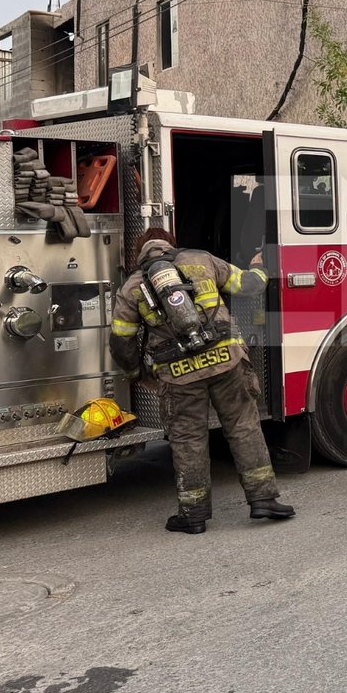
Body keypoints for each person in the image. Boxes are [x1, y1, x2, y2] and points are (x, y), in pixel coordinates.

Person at [109, 229, 294, 534]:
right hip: (227, 362)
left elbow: (121, 341)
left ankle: (193, 515)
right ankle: (264, 499)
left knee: (188, 440)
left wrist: (135, 374)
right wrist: (260, 266)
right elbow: (249, 286)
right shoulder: (200, 259)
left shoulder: (131, 287)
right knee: (243, 428)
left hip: (178, 375)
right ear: (170, 242)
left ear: (139, 253)